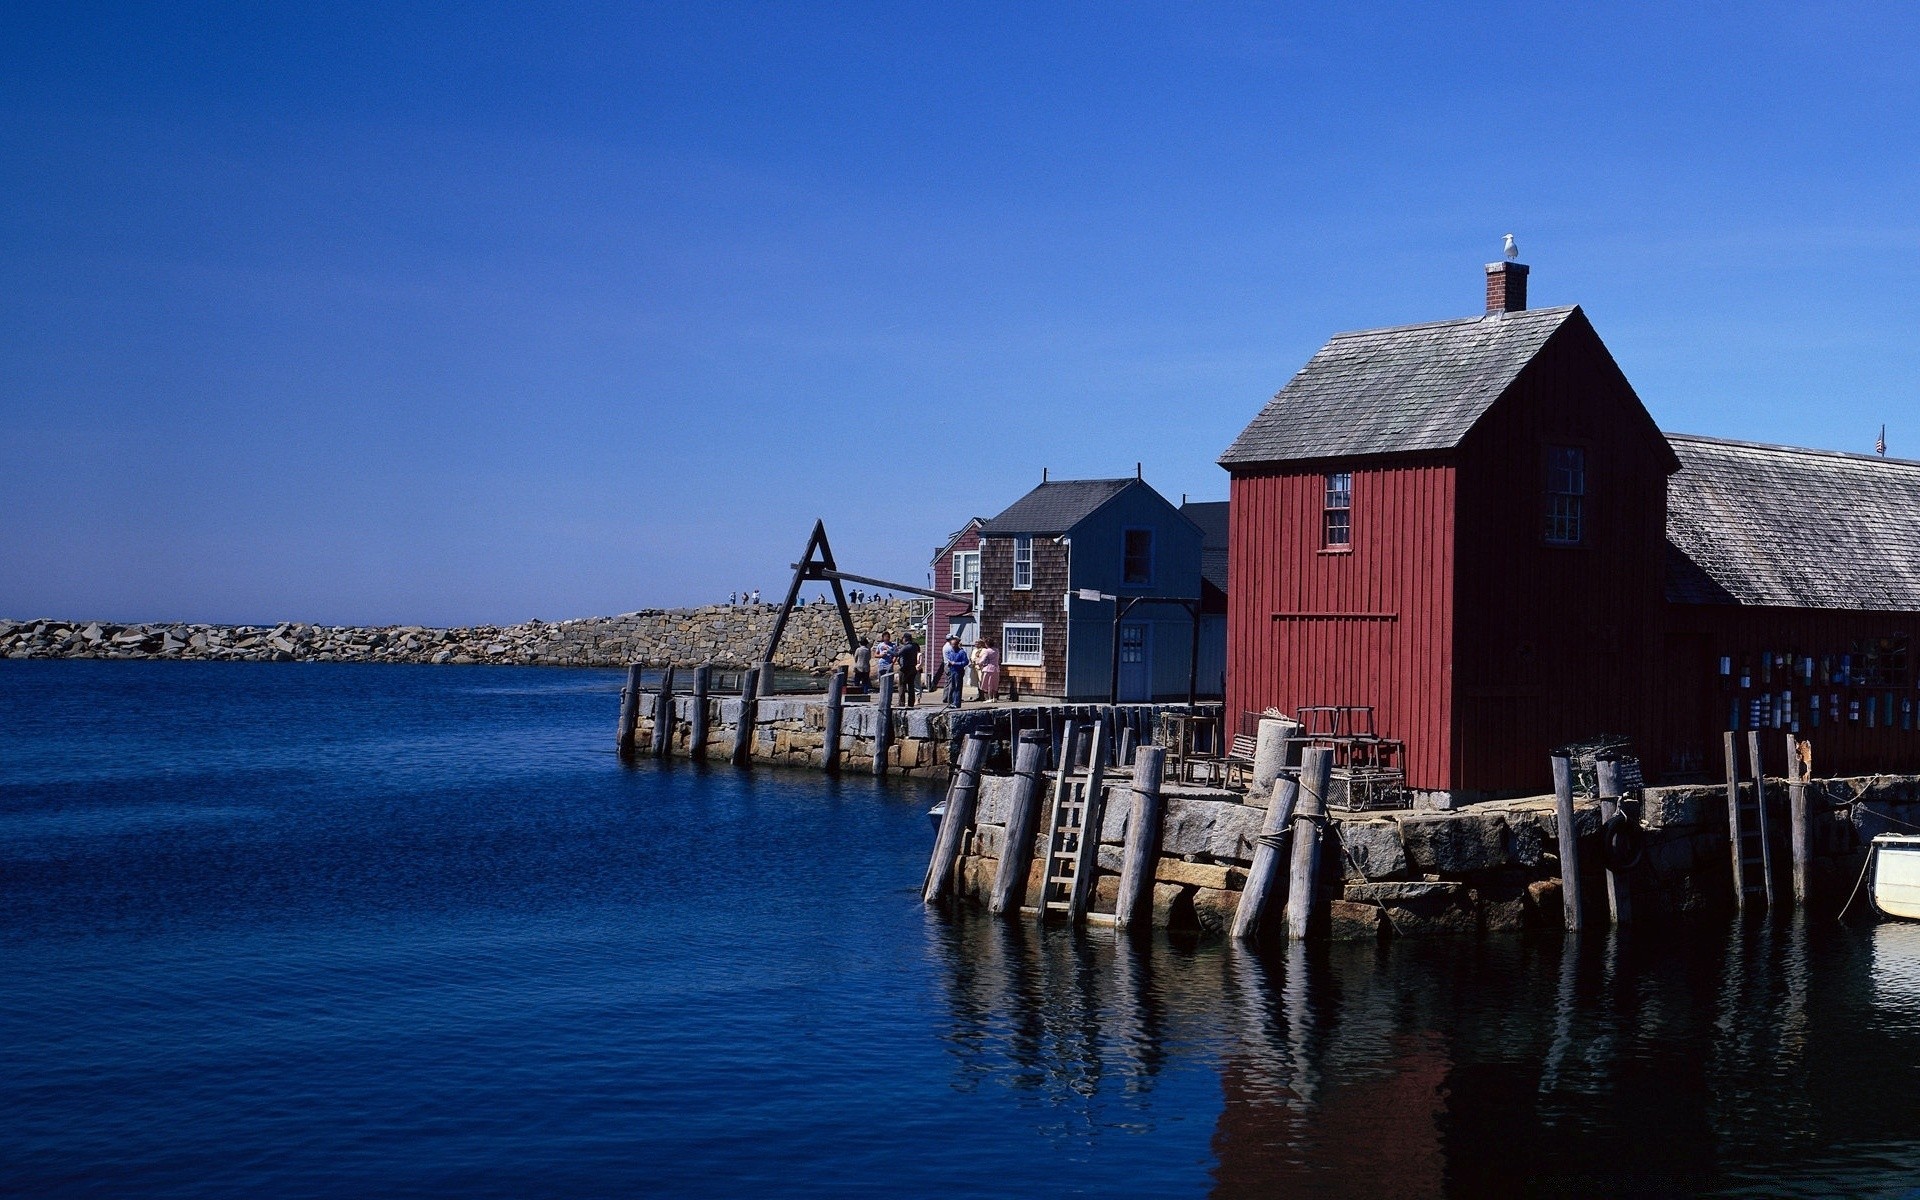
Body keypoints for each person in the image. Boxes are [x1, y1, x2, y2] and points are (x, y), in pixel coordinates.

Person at [942, 636, 969, 707]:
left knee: (958, 687)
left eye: (955, 644)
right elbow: (949, 660)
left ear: (957, 644)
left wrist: (956, 663)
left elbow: (966, 662)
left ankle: (957, 703)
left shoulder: (961, 652)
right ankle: (952, 702)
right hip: (952, 671)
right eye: (952, 645)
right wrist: (949, 664)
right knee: (952, 687)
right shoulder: (951, 652)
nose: (953, 646)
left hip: (958, 671)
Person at [895, 635, 920, 706]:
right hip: (913, 668)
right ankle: (911, 703)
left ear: (905, 639)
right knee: (911, 686)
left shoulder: (906, 647)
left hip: (905, 669)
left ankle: (901, 702)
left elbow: (897, 654)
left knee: (902, 685)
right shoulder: (914, 646)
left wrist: (888, 650)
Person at [974, 636, 1000, 703]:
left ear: (986, 644)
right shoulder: (996, 650)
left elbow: (982, 660)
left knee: (989, 684)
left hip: (988, 668)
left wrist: (977, 662)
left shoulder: (987, 651)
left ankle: (990, 698)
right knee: (995, 683)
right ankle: (994, 697)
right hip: (996, 668)